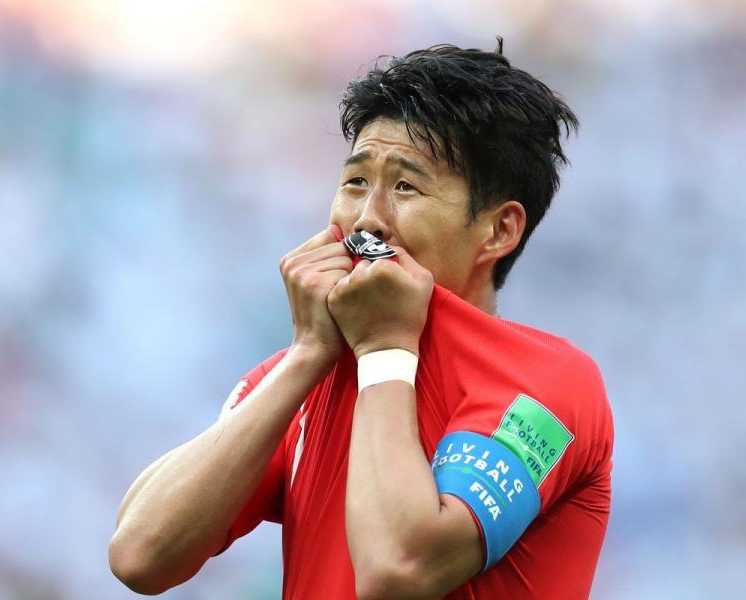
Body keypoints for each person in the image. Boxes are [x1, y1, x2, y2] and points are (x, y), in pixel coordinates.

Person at [109, 39, 613, 599]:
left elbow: (397, 570)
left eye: (405, 187)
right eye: (355, 182)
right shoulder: (311, 368)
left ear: (498, 230)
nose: (367, 220)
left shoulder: (548, 385)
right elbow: (140, 556)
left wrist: (385, 350)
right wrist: (307, 354)